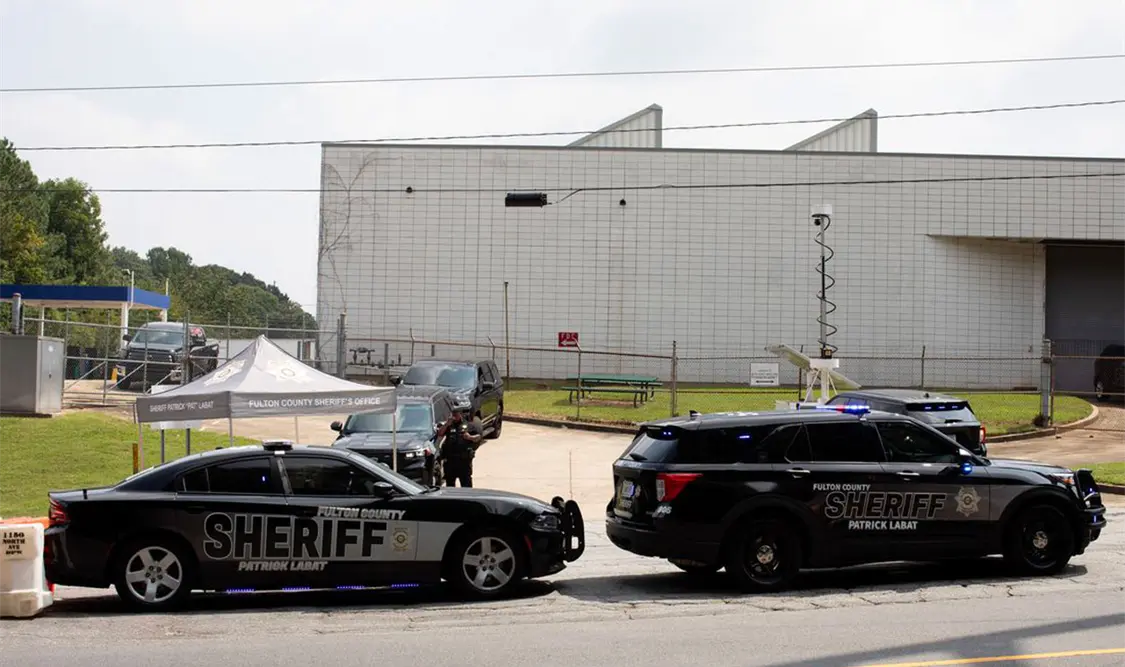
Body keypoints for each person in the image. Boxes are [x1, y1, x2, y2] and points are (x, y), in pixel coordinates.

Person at [439, 411, 482, 487]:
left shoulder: (468, 425)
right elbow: (440, 433)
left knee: (466, 484)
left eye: (456, 414)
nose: (454, 416)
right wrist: (446, 424)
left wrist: (470, 437)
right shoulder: (448, 425)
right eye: (453, 414)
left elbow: (478, 437)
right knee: (450, 485)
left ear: (460, 414)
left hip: (464, 461)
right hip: (450, 461)